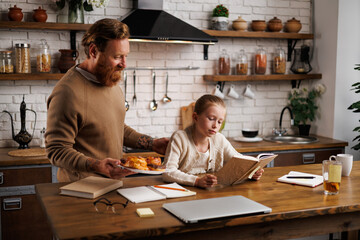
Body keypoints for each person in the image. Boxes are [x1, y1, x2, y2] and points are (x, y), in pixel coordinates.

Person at [46, 19, 168, 182]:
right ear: (94, 51)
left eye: (125, 56)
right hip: (81, 189)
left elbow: (115, 126)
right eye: (117, 57)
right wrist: (96, 165)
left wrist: (152, 144)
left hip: (112, 184)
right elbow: (56, 150)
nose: (124, 64)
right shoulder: (67, 92)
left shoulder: (109, 79)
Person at [162, 94, 264, 188]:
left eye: (220, 122)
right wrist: (196, 181)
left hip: (212, 193)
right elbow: (168, 172)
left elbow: (240, 161)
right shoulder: (179, 138)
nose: (215, 126)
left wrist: (251, 172)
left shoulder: (219, 139)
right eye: (211, 118)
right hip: (184, 193)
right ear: (195, 117)